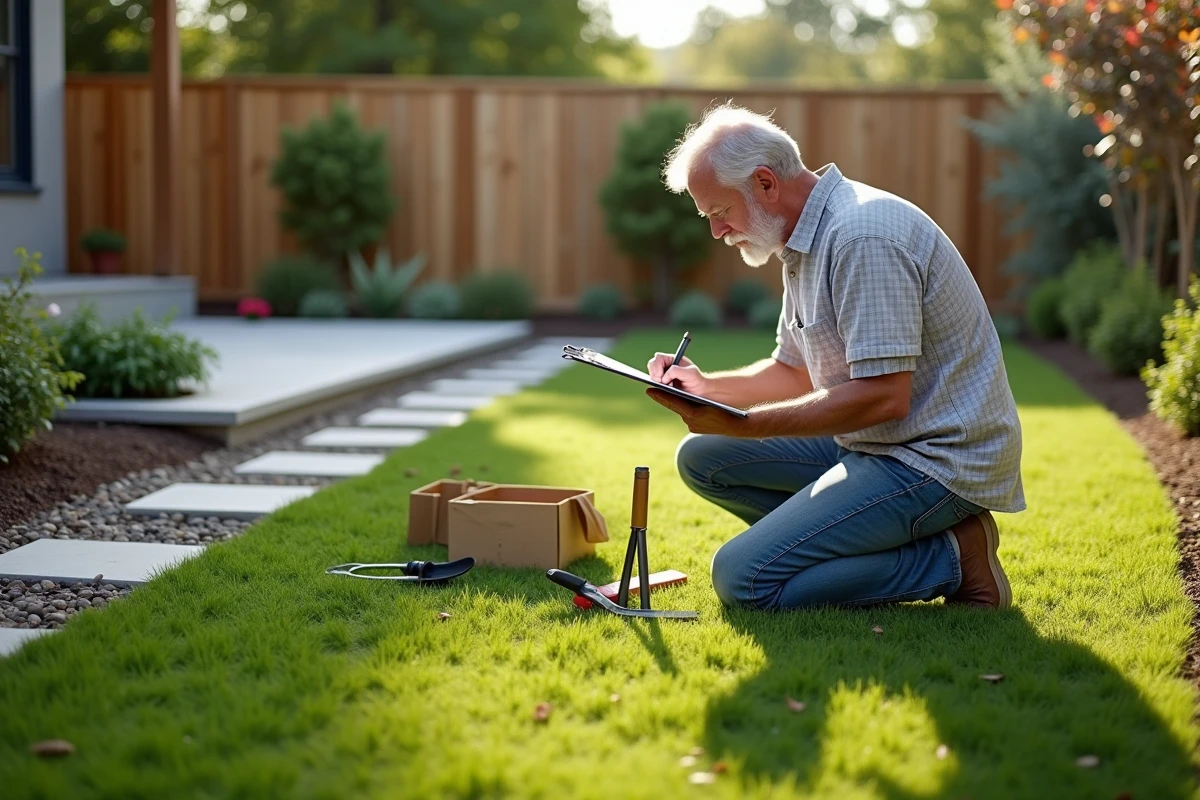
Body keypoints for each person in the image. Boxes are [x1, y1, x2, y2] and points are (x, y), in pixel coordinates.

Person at [644, 103, 1023, 611]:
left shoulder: (862, 237)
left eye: (719, 212)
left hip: (935, 460)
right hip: (872, 445)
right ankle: (831, 548)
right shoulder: (801, 242)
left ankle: (954, 557)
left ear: (764, 183)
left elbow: (885, 398)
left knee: (742, 580)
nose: (716, 232)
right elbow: (792, 370)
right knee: (703, 458)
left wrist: (749, 425)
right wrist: (704, 387)